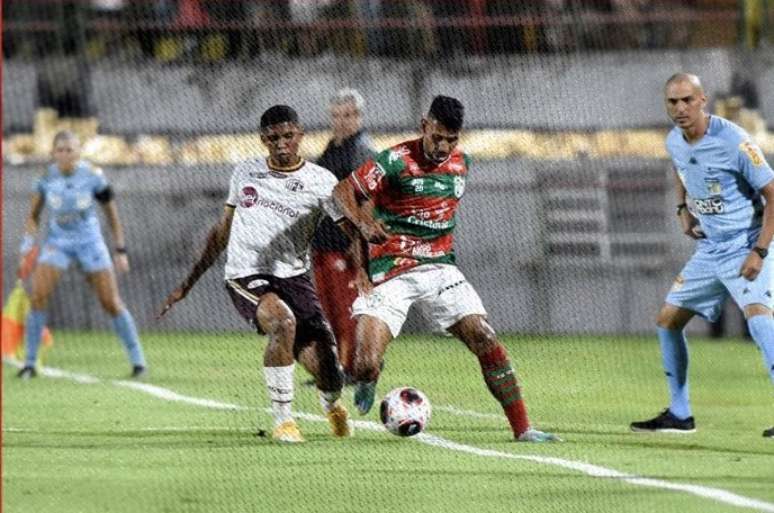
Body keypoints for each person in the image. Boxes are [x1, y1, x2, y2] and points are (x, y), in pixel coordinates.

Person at [332, 95, 560, 442]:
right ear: (425, 126)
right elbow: (343, 191)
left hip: (440, 269)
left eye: (451, 140)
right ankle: (368, 377)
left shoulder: (462, 165)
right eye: (437, 137)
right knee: (363, 362)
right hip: (392, 269)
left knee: (484, 336)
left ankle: (523, 428)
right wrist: (364, 228)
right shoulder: (394, 160)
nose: (442, 146)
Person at [159, 105, 352, 443]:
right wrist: (187, 284)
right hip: (246, 273)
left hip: (295, 277)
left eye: (288, 136)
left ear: (300, 135)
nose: (281, 144)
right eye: (273, 138)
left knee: (329, 371)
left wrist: (373, 266)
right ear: (263, 139)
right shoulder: (245, 172)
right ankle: (284, 421)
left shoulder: (321, 181)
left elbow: (350, 228)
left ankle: (331, 404)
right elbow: (221, 232)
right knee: (282, 322)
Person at [630, 73, 774, 438]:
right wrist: (681, 207)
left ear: (702, 100)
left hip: (746, 242)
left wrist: (759, 250)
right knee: (667, 320)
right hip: (710, 249)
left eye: (686, 101)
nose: (679, 108)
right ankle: (680, 414)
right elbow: (682, 168)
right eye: (672, 102)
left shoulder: (734, 141)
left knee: (759, 320)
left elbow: (773, 195)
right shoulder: (674, 141)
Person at [17, 130, 147, 379]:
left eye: (71, 150)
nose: (66, 154)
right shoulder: (45, 178)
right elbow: (33, 216)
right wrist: (26, 246)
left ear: (78, 152)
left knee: (110, 301)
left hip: (90, 242)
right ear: (53, 153)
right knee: (38, 296)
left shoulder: (93, 176)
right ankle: (30, 364)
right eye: (61, 150)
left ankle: (138, 360)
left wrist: (120, 249)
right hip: (58, 243)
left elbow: (111, 214)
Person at [311, 88, 375, 382]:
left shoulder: (361, 150)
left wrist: (360, 242)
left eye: (348, 115)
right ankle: (336, 367)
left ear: (359, 117)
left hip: (345, 243)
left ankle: (355, 368)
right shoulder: (332, 147)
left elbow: (368, 201)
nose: (342, 121)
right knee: (328, 311)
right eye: (336, 115)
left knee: (351, 310)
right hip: (324, 242)